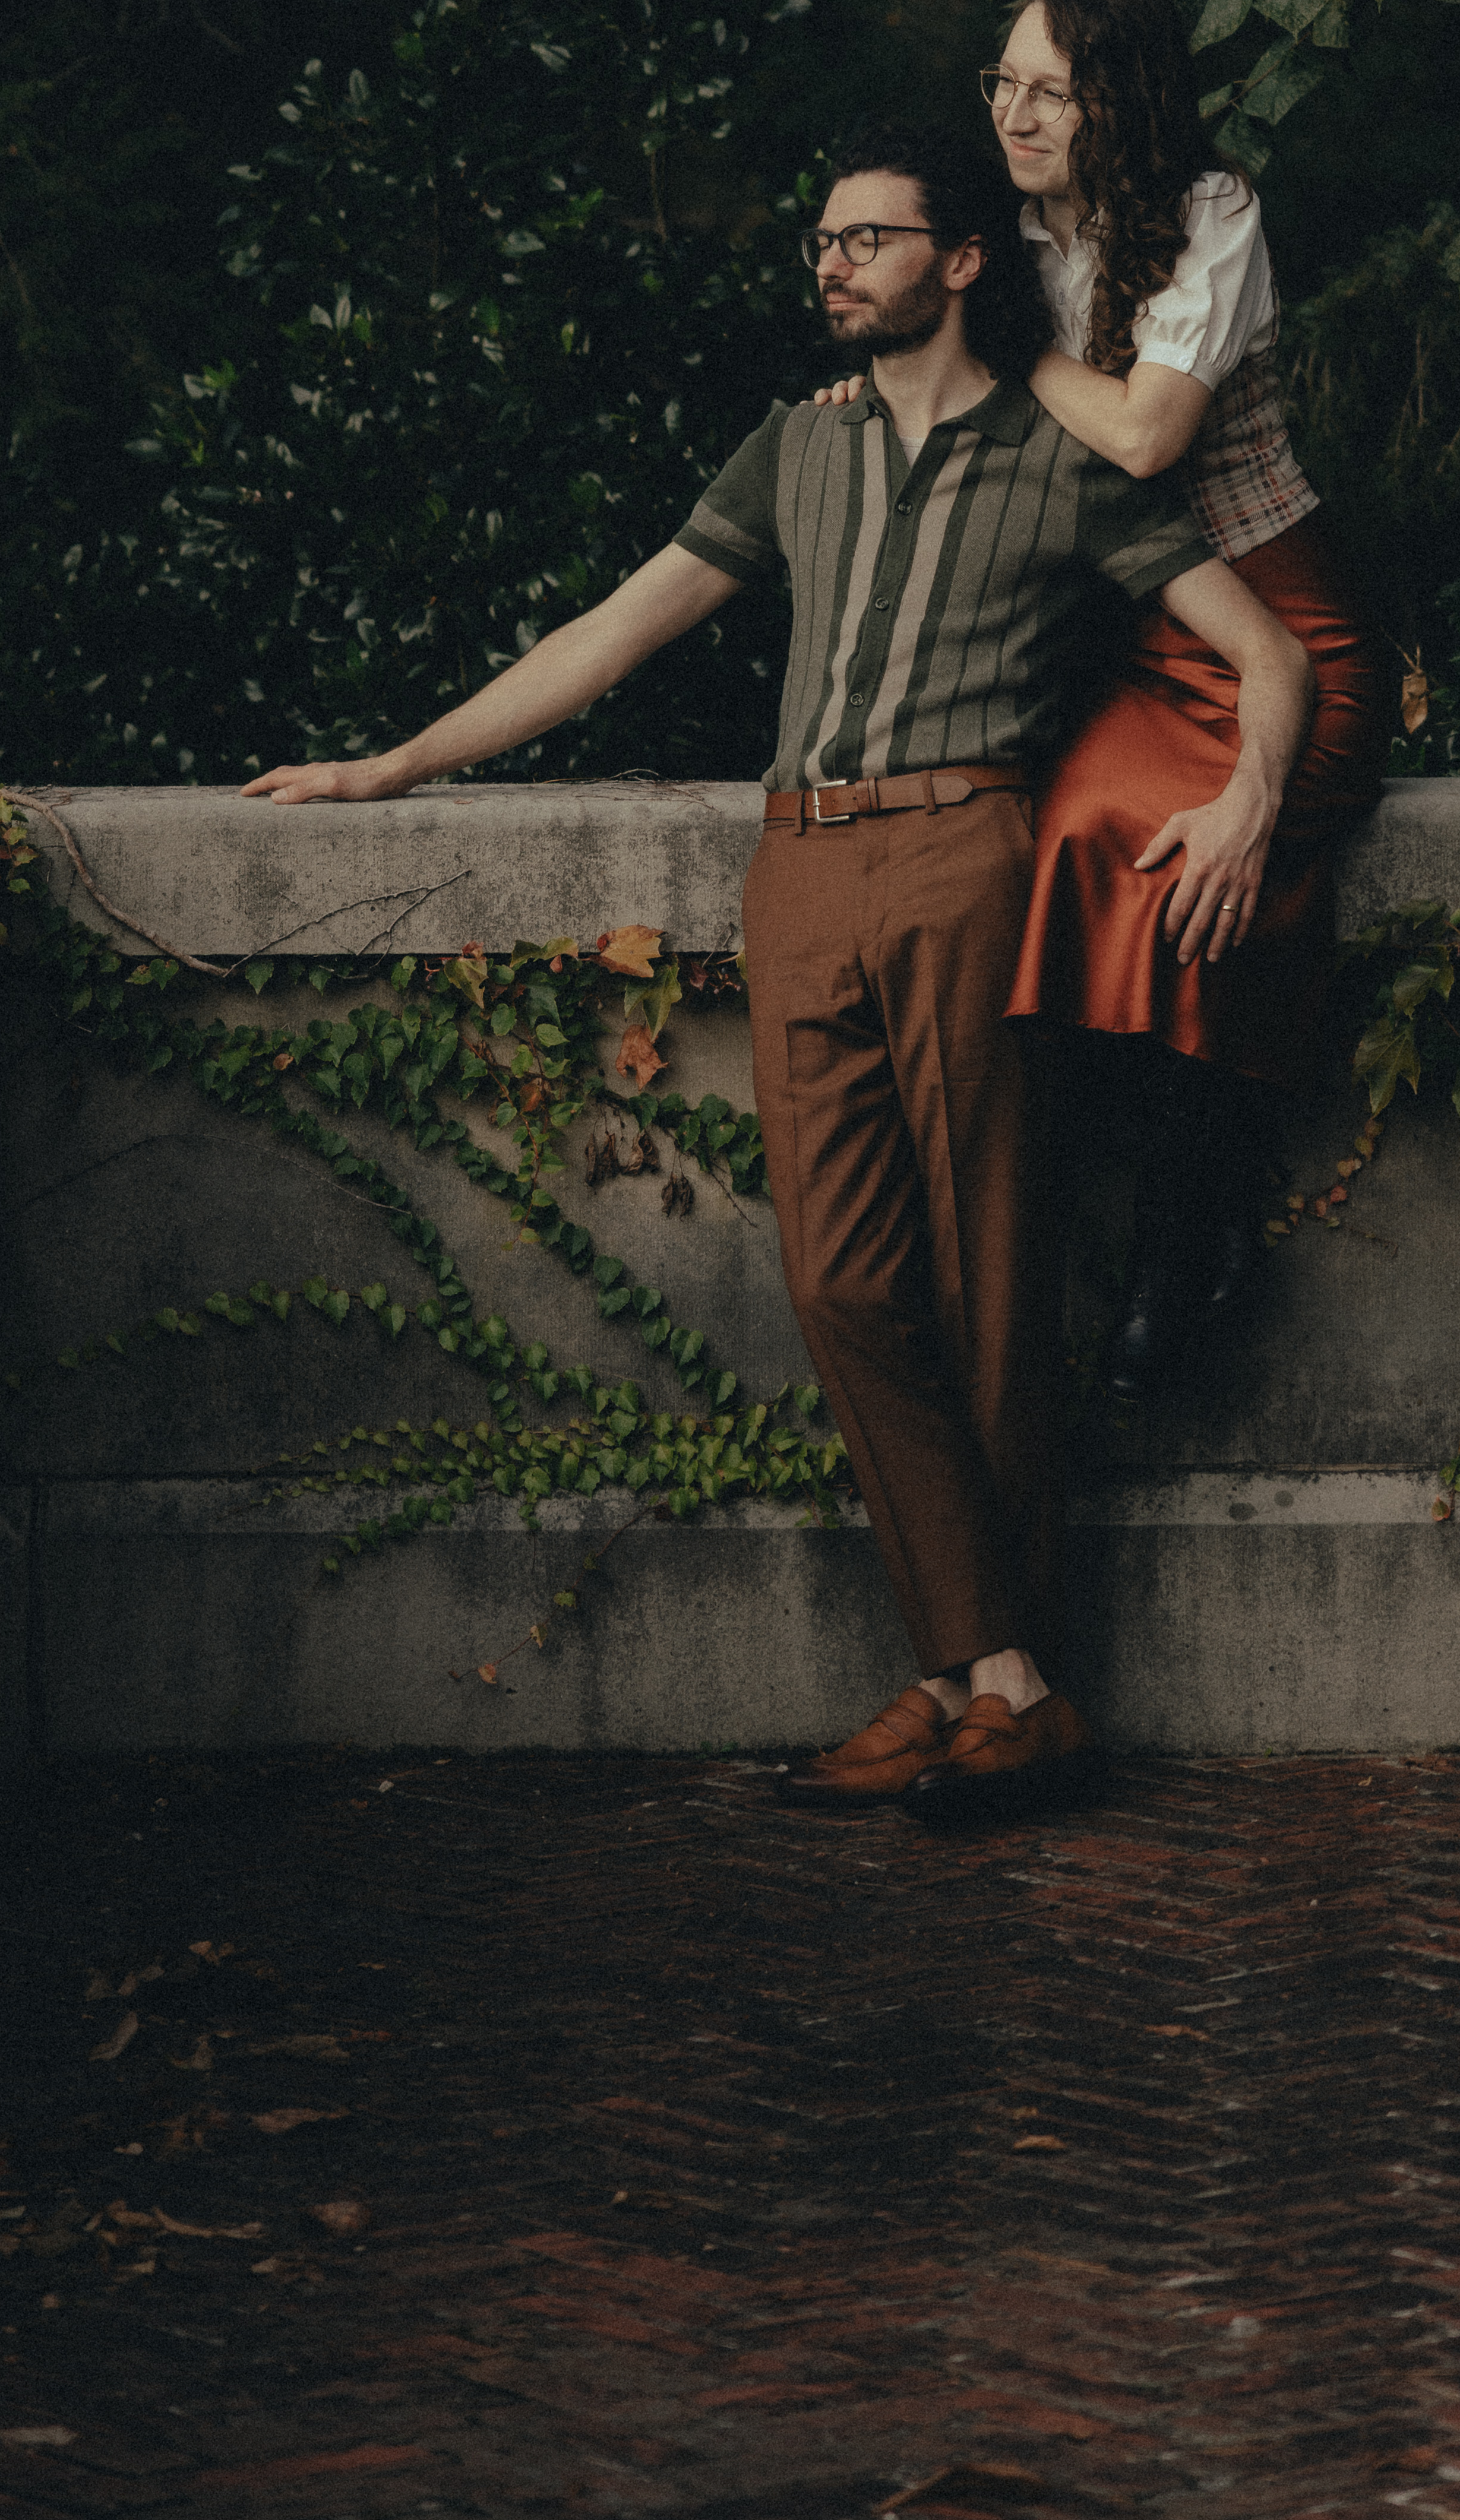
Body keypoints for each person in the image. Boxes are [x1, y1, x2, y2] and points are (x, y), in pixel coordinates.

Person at [245, 116, 1312, 1828]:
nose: (831, 266)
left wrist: (1249, 801)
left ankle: (964, 1684)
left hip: (965, 857)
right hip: (797, 868)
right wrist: (392, 769)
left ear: (961, 262)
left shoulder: (1060, 456)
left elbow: (1263, 654)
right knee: (841, 1286)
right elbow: (611, 631)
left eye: (867, 241)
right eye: (820, 244)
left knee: (988, 1282)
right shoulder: (789, 449)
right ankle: (1001, 1678)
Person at [987, 0, 1393, 1395]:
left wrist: (1017, 355)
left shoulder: (1211, 216)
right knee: (1081, 832)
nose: (1016, 115)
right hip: (1146, 641)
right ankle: (1161, 1230)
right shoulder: (1006, 235)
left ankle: (1188, 1243)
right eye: (1003, 85)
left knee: (1207, 863)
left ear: (1119, 101)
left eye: (1049, 89)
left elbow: (1152, 436)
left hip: (1287, 629)